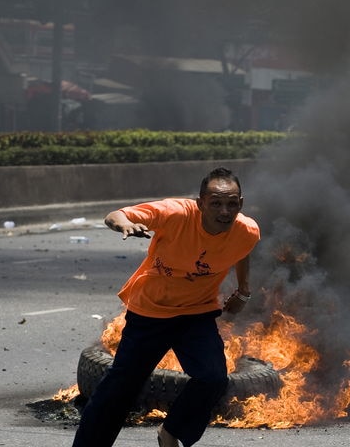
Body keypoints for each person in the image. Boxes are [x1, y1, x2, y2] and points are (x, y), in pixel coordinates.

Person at [72, 167, 260, 447]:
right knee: (120, 387)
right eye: (216, 203)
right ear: (200, 203)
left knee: (213, 378)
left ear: (240, 204)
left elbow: (242, 250)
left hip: (197, 314)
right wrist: (123, 224)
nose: (224, 211)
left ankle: (170, 432)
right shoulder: (175, 213)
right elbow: (116, 215)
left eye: (232, 203)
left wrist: (243, 291)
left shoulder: (247, 230)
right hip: (151, 313)